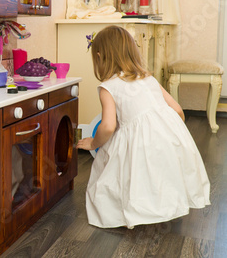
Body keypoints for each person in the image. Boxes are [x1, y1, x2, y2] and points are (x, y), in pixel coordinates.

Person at [77, 25, 210, 229]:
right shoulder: (148, 78)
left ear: (99, 56)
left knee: (122, 164)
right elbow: (177, 110)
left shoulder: (108, 87)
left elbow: (108, 126)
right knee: (161, 168)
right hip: (169, 137)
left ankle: (136, 208)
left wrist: (93, 143)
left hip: (142, 142)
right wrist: (170, 132)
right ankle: (166, 202)